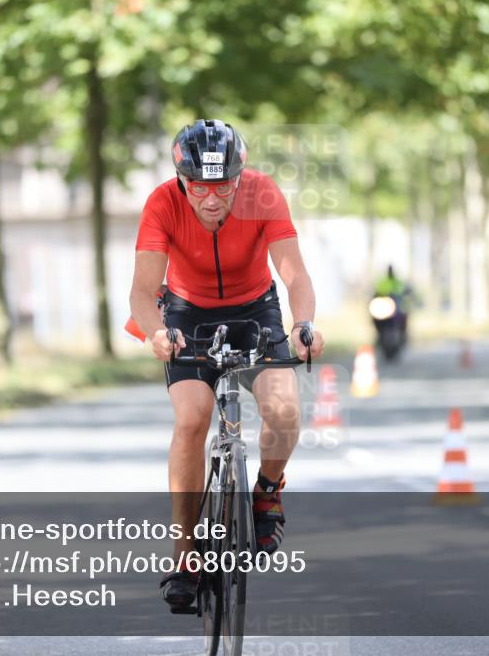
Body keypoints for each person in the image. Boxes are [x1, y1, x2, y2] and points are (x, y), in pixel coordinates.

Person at [129, 120, 325, 609]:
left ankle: (267, 489)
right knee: (192, 417)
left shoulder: (263, 193)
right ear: (182, 182)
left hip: (254, 309)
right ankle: (185, 557)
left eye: (224, 187)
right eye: (200, 188)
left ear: (240, 177)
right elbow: (141, 289)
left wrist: (303, 325)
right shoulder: (162, 203)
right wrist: (157, 332)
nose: (212, 199)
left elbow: (295, 273)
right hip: (185, 313)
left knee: (284, 410)